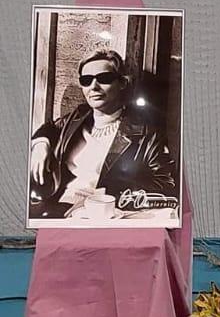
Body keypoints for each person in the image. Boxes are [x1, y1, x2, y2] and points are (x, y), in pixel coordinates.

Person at [29, 50, 177, 218]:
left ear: (122, 83)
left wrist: (104, 198)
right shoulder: (78, 117)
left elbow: (167, 182)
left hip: (104, 213)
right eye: (86, 80)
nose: (93, 87)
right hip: (57, 205)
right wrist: (41, 145)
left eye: (104, 78)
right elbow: (50, 128)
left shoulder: (146, 133)